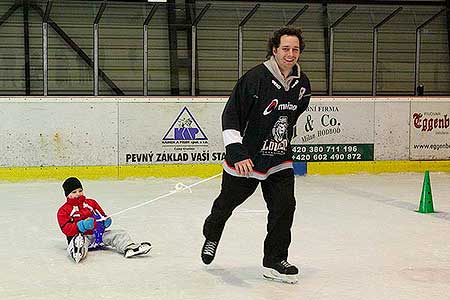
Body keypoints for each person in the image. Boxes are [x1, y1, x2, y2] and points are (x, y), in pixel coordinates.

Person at [201, 26, 311, 284]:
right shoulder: (254, 79)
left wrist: (281, 141)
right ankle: (212, 234)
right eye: (285, 48)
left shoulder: (302, 83)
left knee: (285, 207)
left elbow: (294, 113)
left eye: (295, 49)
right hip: (246, 161)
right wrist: (237, 152)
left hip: (279, 160)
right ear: (274, 50)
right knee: (225, 206)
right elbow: (231, 115)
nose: (290, 53)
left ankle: (274, 261)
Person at [57, 177, 152, 263]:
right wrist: (82, 225)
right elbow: (66, 229)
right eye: (74, 192)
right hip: (83, 237)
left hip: (98, 236)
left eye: (80, 190)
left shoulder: (91, 203)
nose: (78, 194)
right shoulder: (64, 210)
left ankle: (129, 247)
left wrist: (105, 221)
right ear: (67, 195)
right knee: (78, 240)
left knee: (119, 233)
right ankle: (77, 251)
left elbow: (101, 215)